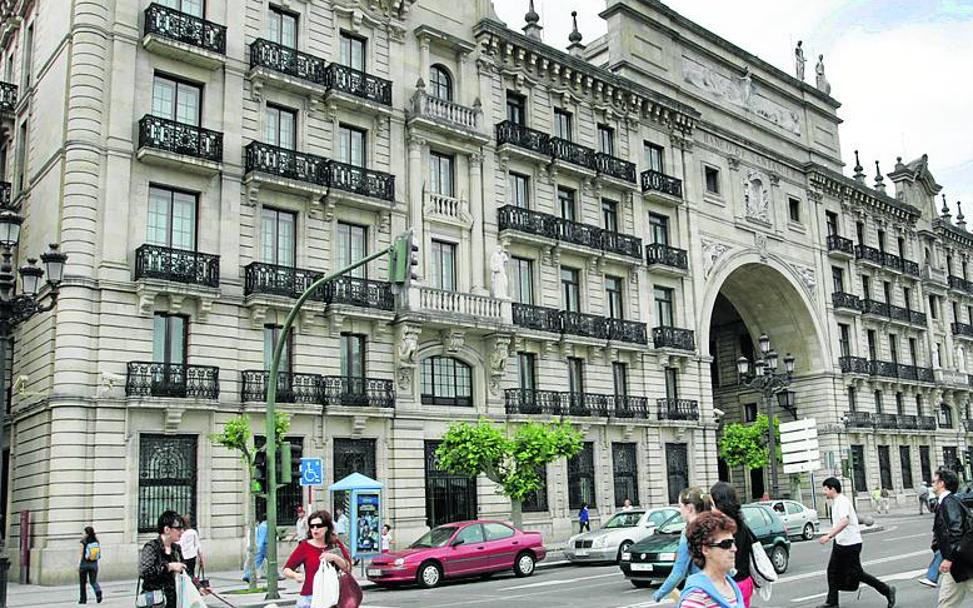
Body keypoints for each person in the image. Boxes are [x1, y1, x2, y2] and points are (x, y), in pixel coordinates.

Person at [817, 477, 896, 608]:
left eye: (825, 489)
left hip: (850, 544)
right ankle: (832, 602)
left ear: (832, 489)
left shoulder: (842, 502)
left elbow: (844, 521)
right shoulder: (837, 502)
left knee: (857, 574)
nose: (824, 492)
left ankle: (887, 590)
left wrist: (829, 536)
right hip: (841, 543)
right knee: (832, 571)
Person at [654, 487, 711, 603]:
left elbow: (678, 572)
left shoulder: (689, 532)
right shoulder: (713, 526)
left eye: (680, 506)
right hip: (719, 590)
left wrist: (659, 594)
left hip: (699, 592)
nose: (680, 511)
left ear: (689, 508)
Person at [282, 510, 350, 608]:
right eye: (312, 526)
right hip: (310, 596)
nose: (315, 529)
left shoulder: (335, 544)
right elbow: (286, 569)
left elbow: (347, 567)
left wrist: (334, 558)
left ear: (327, 527)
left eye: (318, 526)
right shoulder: (305, 546)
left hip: (333, 597)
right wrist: (295, 575)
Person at [677, 511, 744, 608]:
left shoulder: (731, 585)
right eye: (726, 544)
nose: (734, 549)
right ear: (706, 550)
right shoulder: (697, 597)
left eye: (733, 542)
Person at [931, 467, 973, 604]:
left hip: (963, 562)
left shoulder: (948, 502)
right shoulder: (945, 502)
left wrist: (948, 558)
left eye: (933, 481)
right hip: (957, 563)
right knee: (946, 603)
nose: (932, 484)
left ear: (941, 483)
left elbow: (956, 531)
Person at [709, 482, 755, 607]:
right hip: (745, 580)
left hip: (733, 583)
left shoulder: (725, 527)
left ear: (719, 503)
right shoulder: (741, 523)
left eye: (711, 502)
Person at [139, 511, 186, 608]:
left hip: (173, 601)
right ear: (167, 529)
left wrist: (199, 587)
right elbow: (145, 572)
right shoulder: (151, 547)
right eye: (178, 528)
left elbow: (186, 573)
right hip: (155, 602)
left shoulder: (176, 549)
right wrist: (169, 567)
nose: (182, 532)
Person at [78, 526, 102, 604]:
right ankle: (98, 592)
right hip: (94, 565)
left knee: (82, 583)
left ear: (86, 533)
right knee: (93, 581)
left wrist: (78, 564)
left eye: (84, 532)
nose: (83, 534)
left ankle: (83, 600)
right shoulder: (96, 541)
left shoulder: (83, 541)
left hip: (84, 565)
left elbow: (81, 554)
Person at [243, 517, 268, 583]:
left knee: (257, 561)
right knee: (266, 561)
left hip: (262, 546)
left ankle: (247, 574)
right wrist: (259, 547)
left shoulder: (261, 526)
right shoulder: (264, 526)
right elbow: (262, 538)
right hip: (264, 546)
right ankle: (247, 574)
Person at [178, 514, 202, 579]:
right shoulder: (193, 532)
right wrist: (201, 558)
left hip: (183, 556)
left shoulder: (180, 533)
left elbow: (178, 544)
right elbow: (197, 545)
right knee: (191, 573)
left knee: (183, 574)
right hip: (192, 556)